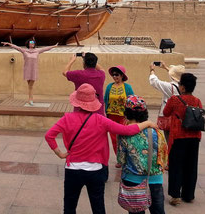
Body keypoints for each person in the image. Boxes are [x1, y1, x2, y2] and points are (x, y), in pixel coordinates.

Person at [45, 84, 158, 214]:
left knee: (69, 206)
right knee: (98, 206)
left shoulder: (67, 118)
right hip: (95, 170)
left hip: (73, 169)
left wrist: (59, 153)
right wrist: (147, 123)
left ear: (77, 102)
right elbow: (126, 130)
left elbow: (49, 136)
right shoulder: (101, 120)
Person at [117, 95, 168, 214]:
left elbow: (121, 159)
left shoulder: (124, 133)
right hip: (155, 180)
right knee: (158, 211)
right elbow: (164, 156)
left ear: (127, 114)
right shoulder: (156, 132)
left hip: (132, 180)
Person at [163, 73, 203, 206]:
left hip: (178, 136)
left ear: (183, 87)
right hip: (194, 137)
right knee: (191, 166)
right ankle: (188, 194)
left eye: (180, 84)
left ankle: (175, 195)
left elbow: (166, 113)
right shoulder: (197, 100)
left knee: (176, 165)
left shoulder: (175, 99)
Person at [2, 40, 57, 106]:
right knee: (30, 86)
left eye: (33, 43)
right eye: (31, 43)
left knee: (30, 86)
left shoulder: (37, 50)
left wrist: (54, 46)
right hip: (27, 70)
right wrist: (8, 44)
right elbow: (16, 47)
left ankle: (30, 99)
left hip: (34, 70)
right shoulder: (24, 50)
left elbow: (45, 48)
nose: (32, 44)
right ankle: (30, 99)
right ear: (28, 44)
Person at [104, 65, 134, 159]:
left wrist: (131, 116)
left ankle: (126, 157)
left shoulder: (127, 87)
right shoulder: (109, 86)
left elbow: (132, 101)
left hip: (123, 117)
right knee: (114, 140)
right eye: (113, 75)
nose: (114, 77)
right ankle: (119, 158)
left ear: (122, 75)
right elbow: (105, 100)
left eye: (116, 74)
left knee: (124, 138)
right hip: (111, 116)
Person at [149, 62, 184, 142]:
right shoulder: (183, 86)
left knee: (169, 140)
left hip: (170, 118)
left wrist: (152, 70)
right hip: (180, 117)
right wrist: (166, 68)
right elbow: (176, 76)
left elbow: (154, 82)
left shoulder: (170, 87)